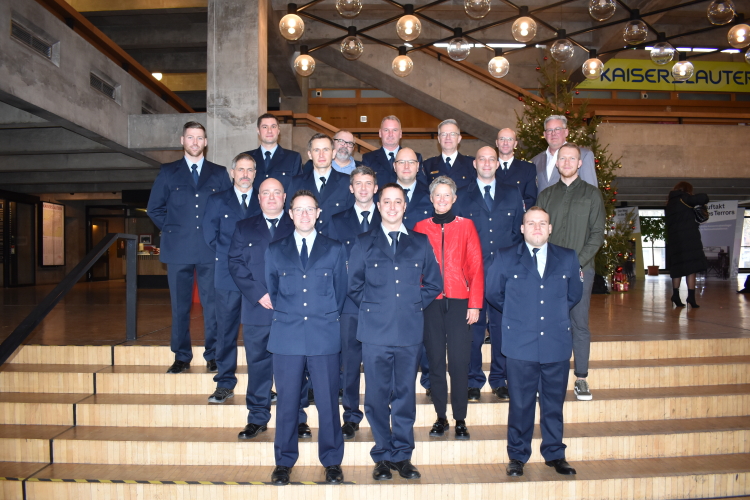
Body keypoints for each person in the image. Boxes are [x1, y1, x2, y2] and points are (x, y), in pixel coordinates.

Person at [347, 183, 442, 481]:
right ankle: (382, 455)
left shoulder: (421, 242)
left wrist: (414, 304)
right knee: (376, 396)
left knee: (404, 396)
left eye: (397, 202)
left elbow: (435, 285)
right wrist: (377, 309)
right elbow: (353, 286)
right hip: (374, 333)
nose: (391, 207)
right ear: (378, 206)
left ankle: (403, 455)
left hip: (408, 333)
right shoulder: (363, 242)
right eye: (386, 201)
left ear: (404, 207)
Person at [485, 206, 583, 477]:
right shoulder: (505, 258)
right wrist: (519, 315)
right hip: (520, 344)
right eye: (531, 223)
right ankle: (517, 456)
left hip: (555, 342)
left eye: (542, 223)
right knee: (521, 404)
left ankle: (554, 454)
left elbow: (573, 294)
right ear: (522, 228)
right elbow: (493, 293)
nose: (537, 228)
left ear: (550, 228)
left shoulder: (567, 257)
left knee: (553, 403)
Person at [264, 189, 348, 486]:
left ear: (318, 213)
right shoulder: (275, 249)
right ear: (290, 214)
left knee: (327, 403)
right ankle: (284, 462)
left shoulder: (335, 248)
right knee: (287, 404)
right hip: (287, 336)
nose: (304, 214)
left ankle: (332, 462)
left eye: (309, 209)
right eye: (298, 209)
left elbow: (340, 291)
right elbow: (273, 291)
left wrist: (321, 316)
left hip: (324, 335)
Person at [227, 178, 310, 441]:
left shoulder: (297, 223)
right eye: (266, 193)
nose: (271, 197)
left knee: (296, 368)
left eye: (276, 193)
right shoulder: (243, 227)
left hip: (292, 311)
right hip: (257, 310)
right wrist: (258, 293)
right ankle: (257, 418)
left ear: (285, 198)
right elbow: (235, 264)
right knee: (259, 366)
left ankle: (298, 420)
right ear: (258, 197)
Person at [147, 121, 231, 374]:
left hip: (209, 250)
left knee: (213, 308)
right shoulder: (168, 171)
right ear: (182, 141)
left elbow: (227, 209)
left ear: (206, 142)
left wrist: (216, 235)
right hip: (178, 250)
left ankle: (213, 355)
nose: (195, 142)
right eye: (190, 137)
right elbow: (155, 208)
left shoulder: (218, 173)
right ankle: (181, 356)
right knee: (180, 306)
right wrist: (173, 229)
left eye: (200, 138)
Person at [413, 176, 483, 440]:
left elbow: (476, 266)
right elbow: (415, 267)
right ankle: (441, 417)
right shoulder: (420, 227)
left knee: (458, 361)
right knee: (434, 363)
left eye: (447, 195)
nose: (442, 200)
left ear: (454, 199)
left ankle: (461, 419)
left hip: (460, 302)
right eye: (437, 196)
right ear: (431, 199)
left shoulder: (466, 226)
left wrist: (474, 303)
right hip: (430, 302)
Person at [536, 143, 605, 401]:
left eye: (572, 158)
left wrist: (576, 262)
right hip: (549, 272)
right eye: (562, 158)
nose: (566, 162)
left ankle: (582, 378)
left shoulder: (592, 195)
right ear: (557, 163)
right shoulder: (546, 195)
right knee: (548, 324)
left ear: (579, 163)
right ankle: (546, 379)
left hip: (581, 271)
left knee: (579, 324)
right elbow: (538, 231)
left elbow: (597, 234)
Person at [456, 146, 524, 401]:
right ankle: (473, 380)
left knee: (501, 329)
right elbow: (457, 236)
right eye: (481, 159)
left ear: (498, 164)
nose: (486, 163)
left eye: (491, 159)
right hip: (471, 276)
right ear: (474, 164)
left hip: (504, 276)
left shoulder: (512, 193)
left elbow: (519, 233)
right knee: (473, 332)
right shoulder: (461, 195)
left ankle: (499, 379)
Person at [325, 166, 381, 440]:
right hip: (348, 304)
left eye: (367, 183)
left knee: (378, 363)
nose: (362, 188)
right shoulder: (336, 221)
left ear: (375, 187)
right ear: (351, 188)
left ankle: (379, 413)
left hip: (381, 304)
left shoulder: (389, 217)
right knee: (349, 362)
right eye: (357, 183)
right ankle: (350, 415)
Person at [203, 153, 261, 403]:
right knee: (226, 331)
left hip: (258, 277)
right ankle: (225, 382)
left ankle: (260, 385)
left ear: (255, 174)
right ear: (232, 172)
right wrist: (234, 257)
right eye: (241, 169)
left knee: (258, 334)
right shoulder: (217, 200)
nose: (245, 174)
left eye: (250, 170)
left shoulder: (263, 200)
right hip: (227, 275)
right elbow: (209, 235)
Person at [288, 133, 353, 234]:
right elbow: (289, 218)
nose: (321, 155)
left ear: (333, 153)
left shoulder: (347, 183)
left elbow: (351, 220)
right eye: (316, 150)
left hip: (337, 246)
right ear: (310, 154)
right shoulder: (296, 183)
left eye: (326, 150)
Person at [665, 181, 709, 308]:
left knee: (678, 268)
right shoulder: (683, 198)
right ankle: (691, 297)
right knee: (692, 267)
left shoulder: (670, 203)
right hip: (689, 238)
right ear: (687, 190)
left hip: (675, 240)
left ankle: (676, 295)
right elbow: (704, 197)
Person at [531, 115, 598, 193]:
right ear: (545, 134)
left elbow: (591, 192)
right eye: (549, 130)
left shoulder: (584, 155)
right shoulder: (535, 161)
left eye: (557, 129)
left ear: (566, 132)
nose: (553, 133)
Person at [244, 113, 301, 193]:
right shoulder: (246, 158)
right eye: (265, 127)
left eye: (273, 126)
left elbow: (297, 189)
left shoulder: (293, 158)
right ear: (258, 130)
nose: (269, 131)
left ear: (278, 130)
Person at [361, 115, 424, 186]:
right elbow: (365, 186)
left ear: (400, 134)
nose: (390, 134)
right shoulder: (368, 158)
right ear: (380, 133)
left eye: (395, 130)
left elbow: (422, 186)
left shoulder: (415, 157)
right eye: (386, 130)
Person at [422, 119, 475, 189]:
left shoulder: (472, 164)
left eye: (452, 134)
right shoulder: (428, 165)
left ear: (459, 138)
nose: (448, 138)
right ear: (438, 139)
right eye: (444, 134)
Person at [496, 128, 537, 210]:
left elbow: (530, 199)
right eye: (502, 139)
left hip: (517, 218)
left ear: (515, 144)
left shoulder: (528, 168)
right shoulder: (488, 167)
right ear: (497, 143)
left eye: (510, 139)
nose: (505, 143)